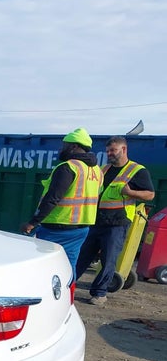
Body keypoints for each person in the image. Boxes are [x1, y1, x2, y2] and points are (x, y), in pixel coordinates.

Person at [74, 136, 155, 305]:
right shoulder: (104, 169)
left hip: (117, 223)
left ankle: (99, 293)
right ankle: (69, 286)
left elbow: (150, 194)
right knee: (82, 255)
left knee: (108, 259)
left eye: (113, 150)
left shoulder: (137, 170)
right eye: (108, 151)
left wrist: (131, 193)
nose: (109, 154)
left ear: (124, 150)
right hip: (96, 220)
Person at [21, 128, 102, 273]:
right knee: (69, 265)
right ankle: (68, 292)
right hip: (82, 227)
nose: (61, 149)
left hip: (57, 226)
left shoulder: (68, 167)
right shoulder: (97, 170)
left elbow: (53, 198)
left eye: (64, 145)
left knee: (44, 265)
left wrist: (32, 223)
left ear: (74, 146)